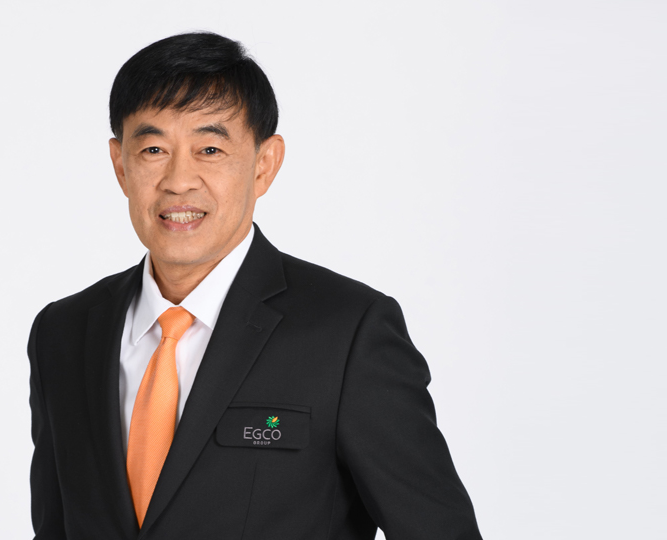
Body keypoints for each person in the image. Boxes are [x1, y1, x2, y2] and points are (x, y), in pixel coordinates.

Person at [27, 32, 481, 540]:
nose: (179, 180)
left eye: (210, 149)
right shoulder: (63, 334)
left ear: (264, 164)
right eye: (153, 149)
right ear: (121, 166)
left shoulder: (348, 333)